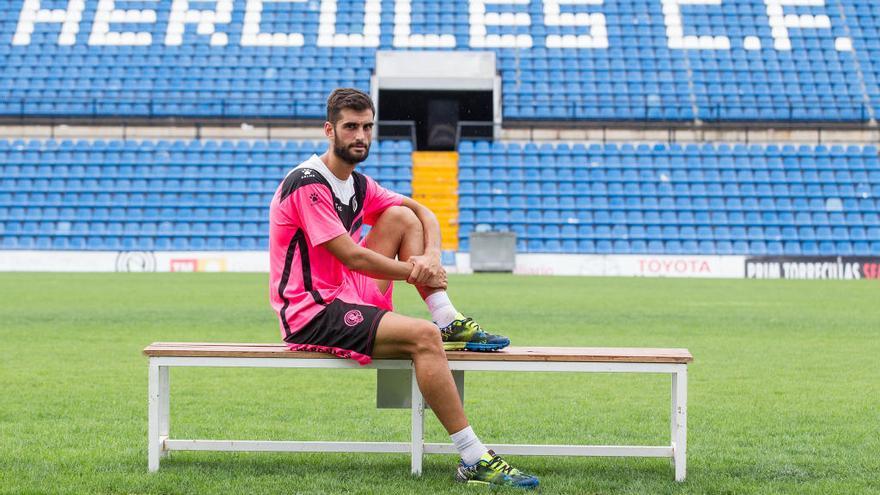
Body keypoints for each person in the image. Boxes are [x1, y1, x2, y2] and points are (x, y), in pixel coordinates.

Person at [268, 88, 539, 488]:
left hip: (345, 294)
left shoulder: (357, 184)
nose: (360, 135)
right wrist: (415, 271)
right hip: (311, 310)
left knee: (400, 217)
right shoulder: (308, 184)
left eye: (367, 127)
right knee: (423, 338)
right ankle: (473, 457)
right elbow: (353, 257)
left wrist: (431, 258)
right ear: (329, 131)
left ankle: (447, 316)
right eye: (350, 127)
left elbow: (423, 212)